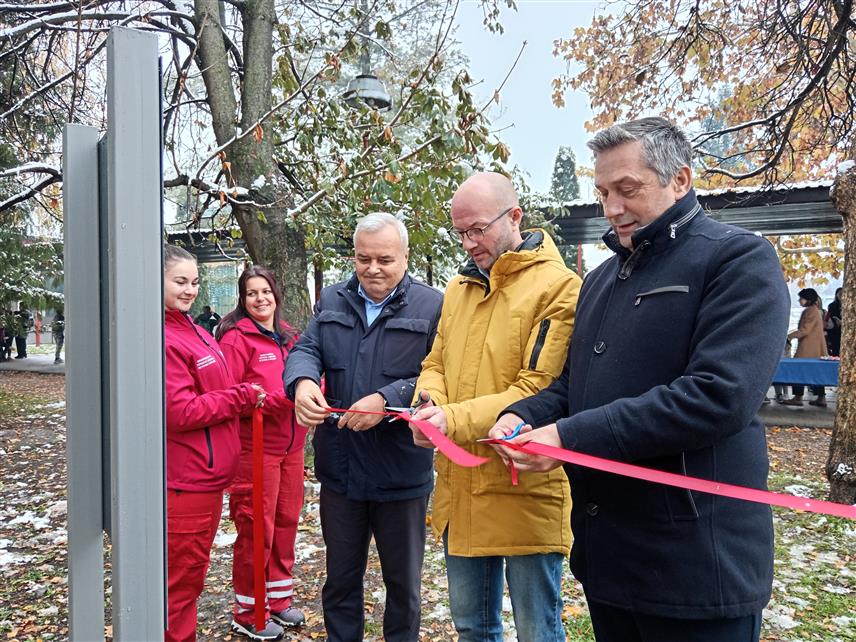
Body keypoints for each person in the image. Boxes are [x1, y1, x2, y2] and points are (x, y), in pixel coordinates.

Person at [491, 117, 789, 642]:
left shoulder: (737, 259)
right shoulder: (602, 279)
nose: (611, 208)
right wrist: (525, 415)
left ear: (680, 180)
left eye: (627, 190)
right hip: (610, 559)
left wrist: (567, 438)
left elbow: (718, 396)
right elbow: (572, 386)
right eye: (603, 191)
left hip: (694, 562)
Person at [410, 172, 581, 642]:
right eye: (460, 232)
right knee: (472, 628)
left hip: (522, 482)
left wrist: (452, 419)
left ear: (515, 217)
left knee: (536, 630)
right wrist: (428, 403)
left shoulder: (559, 287)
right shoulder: (458, 290)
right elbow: (436, 361)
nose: (468, 243)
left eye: (478, 229)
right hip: (461, 486)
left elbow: (539, 387)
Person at [284, 213, 442, 642]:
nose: (373, 268)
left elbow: (439, 373)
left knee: (404, 587)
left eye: (385, 259)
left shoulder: (433, 305)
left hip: (401, 473)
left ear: (405, 257)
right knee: (340, 581)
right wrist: (300, 382)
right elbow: (306, 349)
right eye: (363, 258)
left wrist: (388, 399)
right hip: (342, 471)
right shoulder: (333, 299)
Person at [162, 244, 266, 642]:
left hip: (205, 479)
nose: (190, 290)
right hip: (186, 481)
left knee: (190, 577)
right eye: (180, 281)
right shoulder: (164, 337)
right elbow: (180, 410)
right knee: (180, 583)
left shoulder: (190, 327)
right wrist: (239, 397)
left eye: (194, 281)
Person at [216, 266, 307, 640]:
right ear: (243, 299)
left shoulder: (289, 337)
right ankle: (249, 610)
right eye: (251, 293)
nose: (260, 299)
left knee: (286, 521)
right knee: (256, 528)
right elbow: (227, 395)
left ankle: (278, 599)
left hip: (293, 446)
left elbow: (308, 373)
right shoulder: (236, 340)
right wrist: (267, 401)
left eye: (265, 291)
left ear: (275, 294)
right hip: (255, 451)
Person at [782, 287, 828, 406]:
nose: (799, 300)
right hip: (816, 347)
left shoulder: (810, 311)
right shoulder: (815, 310)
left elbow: (805, 330)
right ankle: (821, 398)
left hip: (808, 347)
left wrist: (790, 336)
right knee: (816, 372)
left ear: (808, 299)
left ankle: (798, 397)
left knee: (798, 370)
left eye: (801, 298)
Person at [825, 287, 842, 356]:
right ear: (836, 295)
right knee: (836, 350)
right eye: (840, 294)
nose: (841, 295)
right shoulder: (832, 305)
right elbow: (828, 317)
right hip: (835, 331)